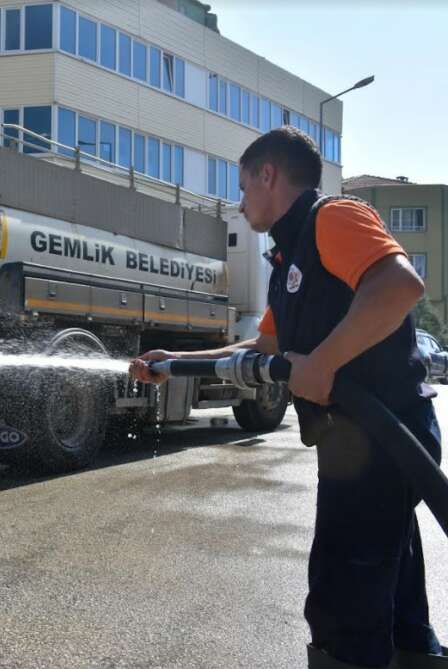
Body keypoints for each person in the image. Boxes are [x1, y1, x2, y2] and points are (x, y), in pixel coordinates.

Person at [130, 126, 446, 669]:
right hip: (358, 446)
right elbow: (266, 347)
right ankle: (416, 654)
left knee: (342, 600)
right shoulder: (289, 260)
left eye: (243, 185)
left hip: (384, 437)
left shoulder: (334, 218)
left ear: (268, 175)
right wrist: (175, 364)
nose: (240, 199)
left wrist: (323, 364)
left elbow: (398, 286)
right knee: (391, 586)